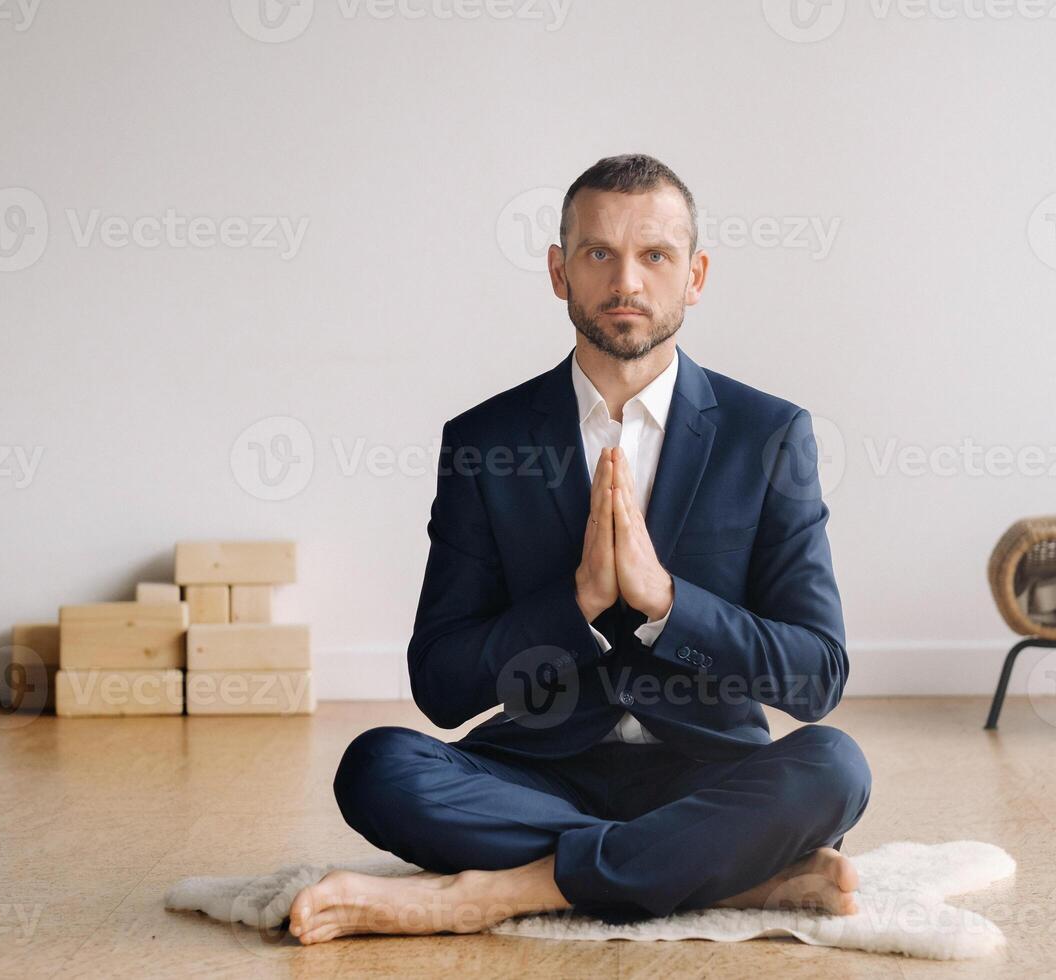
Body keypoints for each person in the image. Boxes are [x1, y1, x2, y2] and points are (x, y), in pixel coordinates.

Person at [290, 154, 871, 944]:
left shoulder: (768, 435)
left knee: (834, 767)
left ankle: (509, 891)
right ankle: (730, 872)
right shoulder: (485, 441)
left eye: (655, 256)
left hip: (707, 774)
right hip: (533, 774)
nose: (626, 281)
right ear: (560, 272)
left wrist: (669, 605)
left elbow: (817, 675)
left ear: (694, 276)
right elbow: (440, 683)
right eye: (599, 253)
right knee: (378, 767)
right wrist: (577, 609)